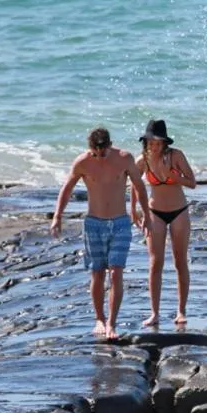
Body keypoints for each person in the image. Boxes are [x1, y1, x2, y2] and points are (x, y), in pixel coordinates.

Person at [51, 127, 151, 341]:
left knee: (116, 271)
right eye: (95, 153)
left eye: (102, 152)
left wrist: (147, 216)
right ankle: (99, 318)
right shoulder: (82, 162)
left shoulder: (124, 158)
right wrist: (57, 216)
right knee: (97, 272)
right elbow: (67, 188)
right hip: (93, 223)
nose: (99, 156)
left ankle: (112, 324)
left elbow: (140, 187)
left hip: (120, 223)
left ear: (109, 145)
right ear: (90, 148)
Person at [131, 119, 196, 327]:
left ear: (165, 143)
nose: (154, 146)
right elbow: (135, 185)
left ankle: (181, 311)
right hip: (154, 213)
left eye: (158, 143)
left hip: (179, 212)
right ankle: (155, 313)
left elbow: (192, 182)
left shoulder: (175, 156)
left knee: (179, 262)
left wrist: (174, 178)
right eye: (151, 142)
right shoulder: (142, 160)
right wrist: (134, 210)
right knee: (155, 263)